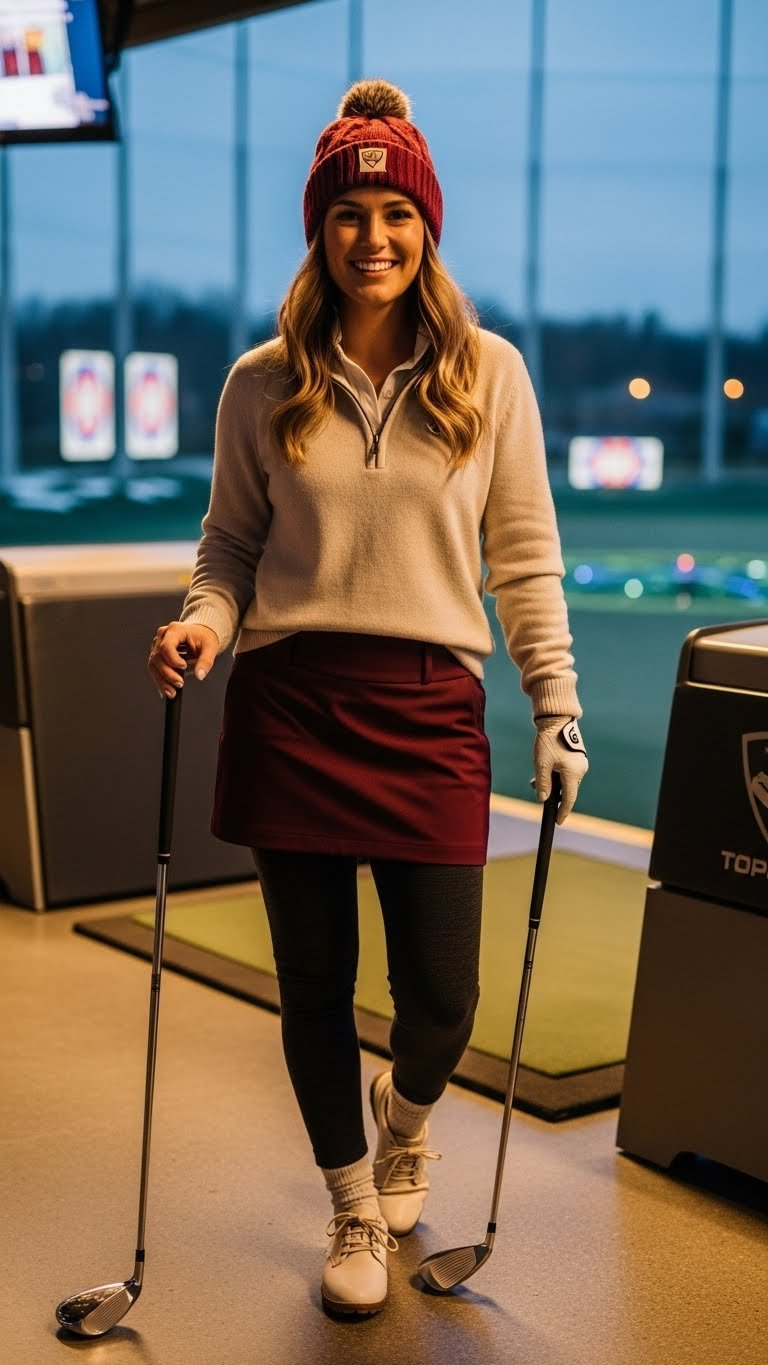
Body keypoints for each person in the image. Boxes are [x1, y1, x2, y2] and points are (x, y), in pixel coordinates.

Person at [147, 77, 588, 1318]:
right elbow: (228, 551)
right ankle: (352, 1202)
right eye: (350, 215)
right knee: (314, 987)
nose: (374, 237)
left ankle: (404, 1120)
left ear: (427, 226)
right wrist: (199, 624)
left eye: (397, 211)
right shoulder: (259, 381)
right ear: (319, 232)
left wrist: (555, 705)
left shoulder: (489, 374)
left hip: (432, 707)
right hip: (290, 704)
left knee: (443, 998)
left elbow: (525, 558)